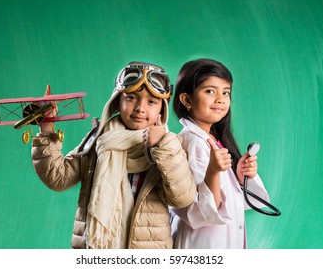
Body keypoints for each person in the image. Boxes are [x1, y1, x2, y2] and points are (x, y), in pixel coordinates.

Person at [31, 61, 196, 249]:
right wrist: (46, 130)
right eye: (132, 98)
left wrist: (162, 145)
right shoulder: (98, 140)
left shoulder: (169, 147)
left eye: (151, 101)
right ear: (118, 101)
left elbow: (182, 198)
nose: (140, 108)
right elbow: (58, 178)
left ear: (162, 109)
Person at [171, 58, 270, 249]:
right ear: (187, 100)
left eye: (226, 92)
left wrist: (241, 178)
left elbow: (233, 204)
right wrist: (214, 171)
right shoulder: (191, 143)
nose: (220, 99)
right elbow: (200, 211)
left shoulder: (212, 140)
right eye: (210, 91)